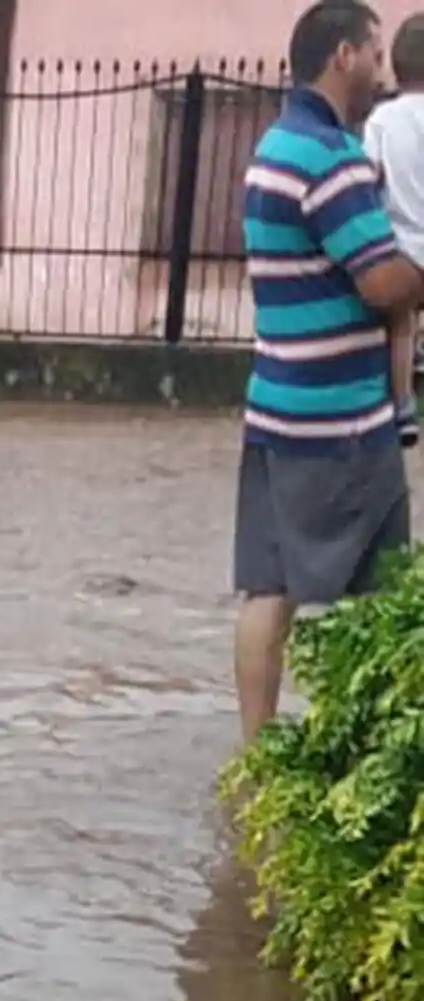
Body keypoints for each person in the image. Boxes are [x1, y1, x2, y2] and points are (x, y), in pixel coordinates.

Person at [236, 0, 421, 745]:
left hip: (275, 408)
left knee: (268, 588)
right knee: (378, 595)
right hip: (340, 420)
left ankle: (253, 757)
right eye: (375, 56)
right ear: (342, 54)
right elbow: (383, 285)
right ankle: (356, 747)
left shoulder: (273, 148)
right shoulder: (333, 159)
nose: (382, 72)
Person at [363, 13, 424, 446]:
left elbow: (370, 172)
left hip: (403, 246)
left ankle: (403, 404)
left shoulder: (383, 119)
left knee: (400, 323)